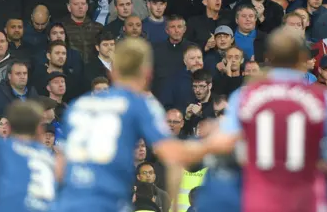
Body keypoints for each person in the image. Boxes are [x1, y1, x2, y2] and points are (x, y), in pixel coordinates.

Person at [195, 27, 327, 212]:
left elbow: (226, 142)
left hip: (260, 200)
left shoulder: (246, 95)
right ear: (302, 58)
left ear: (270, 57)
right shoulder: (322, 98)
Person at [52, 38, 209, 212]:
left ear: (113, 72)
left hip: (67, 204)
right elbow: (173, 156)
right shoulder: (141, 103)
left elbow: (59, 166)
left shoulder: (79, 105)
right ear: (147, 73)